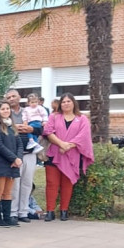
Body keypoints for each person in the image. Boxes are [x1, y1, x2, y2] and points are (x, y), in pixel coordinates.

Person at [42, 93, 94, 221]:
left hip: (72, 155)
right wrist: (61, 144)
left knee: (67, 183)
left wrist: (68, 146)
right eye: (63, 102)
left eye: (68, 101)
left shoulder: (82, 119)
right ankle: (50, 211)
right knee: (51, 183)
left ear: (73, 103)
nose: (66, 104)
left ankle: (64, 210)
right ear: (60, 104)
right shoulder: (54, 116)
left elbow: (83, 136)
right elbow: (48, 132)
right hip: (54, 154)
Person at [6, 89, 43, 224]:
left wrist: (31, 129)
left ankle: (24, 211)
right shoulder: (5, 113)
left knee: (27, 183)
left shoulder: (30, 111)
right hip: (14, 154)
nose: (11, 99)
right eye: (8, 97)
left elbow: (42, 129)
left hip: (30, 152)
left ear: (19, 97)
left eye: (13, 96)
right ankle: (13, 212)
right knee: (15, 183)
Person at [0, 100, 23, 227]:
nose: (6, 111)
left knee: (8, 192)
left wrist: (18, 159)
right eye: (3, 109)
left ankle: (7, 218)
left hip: (13, 164)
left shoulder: (12, 126)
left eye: (7, 109)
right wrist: (13, 158)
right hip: (1, 163)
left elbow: (19, 144)